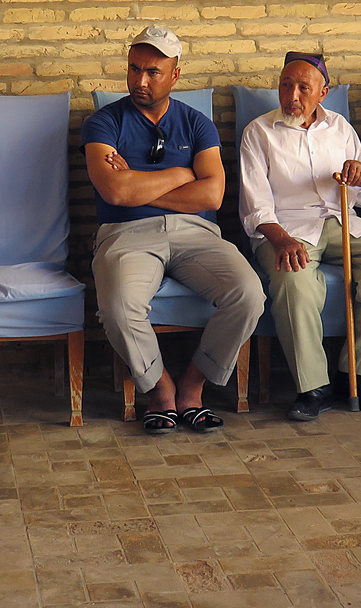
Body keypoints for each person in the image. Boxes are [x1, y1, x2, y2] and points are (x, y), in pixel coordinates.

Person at [82, 25, 265, 435]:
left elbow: (213, 195)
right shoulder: (103, 123)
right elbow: (113, 189)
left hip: (194, 233)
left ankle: (193, 385)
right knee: (117, 308)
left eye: (152, 72)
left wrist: (140, 188)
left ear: (175, 76)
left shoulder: (197, 123)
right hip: (124, 234)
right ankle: (161, 390)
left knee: (249, 294)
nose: (139, 81)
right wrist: (182, 175)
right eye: (133, 69)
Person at [239, 53, 361, 421]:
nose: (292, 95)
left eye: (303, 87)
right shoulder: (259, 132)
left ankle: (360, 377)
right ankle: (313, 387)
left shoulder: (341, 128)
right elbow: (255, 206)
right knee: (293, 278)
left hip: (342, 221)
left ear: (324, 92)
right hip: (284, 229)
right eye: (286, 85)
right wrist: (281, 241)